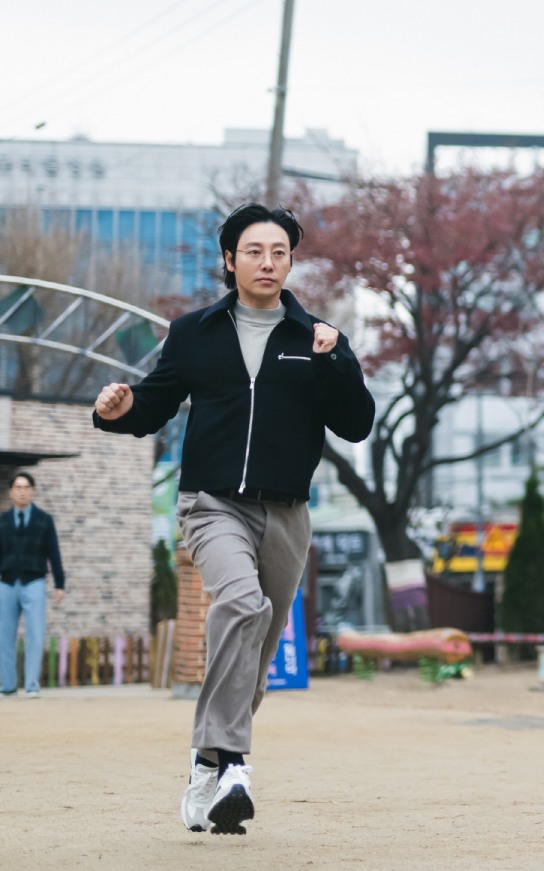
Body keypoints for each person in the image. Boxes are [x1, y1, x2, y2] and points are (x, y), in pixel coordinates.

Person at [93, 203, 374, 834]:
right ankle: (236, 766)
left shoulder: (317, 338)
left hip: (288, 512)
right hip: (212, 503)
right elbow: (155, 403)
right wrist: (120, 406)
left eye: (279, 251)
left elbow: (356, 424)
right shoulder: (194, 333)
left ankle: (204, 761)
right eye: (254, 250)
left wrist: (336, 361)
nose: (268, 261)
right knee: (244, 606)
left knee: (257, 649)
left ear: (291, 260)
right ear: (229, 259)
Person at [0, 471, 65, 698]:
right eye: (18, 487)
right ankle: (7, 686)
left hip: (34, 582)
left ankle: (31, 685)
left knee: (35, 635)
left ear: (32, 491)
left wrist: (60, 583)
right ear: (11, 492)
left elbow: (53, 553)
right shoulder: (2, 521)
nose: (22, 491)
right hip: (6, 584)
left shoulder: (44, 520)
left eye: (26, 487)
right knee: (4, 636)